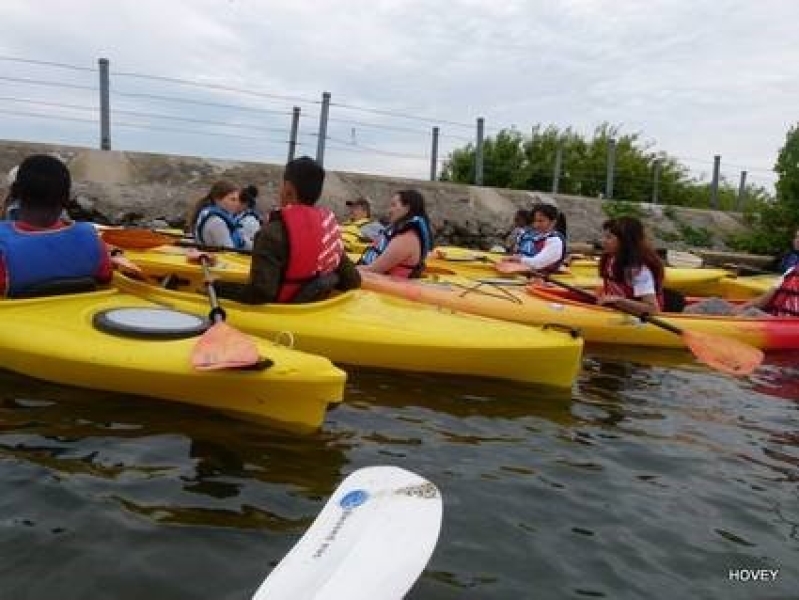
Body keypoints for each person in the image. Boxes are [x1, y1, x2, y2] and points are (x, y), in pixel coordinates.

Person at [215, 156, 360, 304]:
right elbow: (353, 280)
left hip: (280, 314)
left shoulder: (270, 234)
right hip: (310, 309)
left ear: (288, 189)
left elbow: (261, 293)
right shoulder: (329, 233)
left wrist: (216, 286)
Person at [0, 154, 112, 297]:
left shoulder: (3, 245)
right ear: (66, 198)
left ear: (15, 193)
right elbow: (106, 278)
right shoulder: (92, 239)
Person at [357, 189, 433, 278]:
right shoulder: (407, 234)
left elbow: (374, 269)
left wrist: (348, 270)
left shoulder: (406, 239)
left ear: (407, 208)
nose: (389, 210)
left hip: (384, 285)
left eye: (393, 205)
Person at [597, 216, 664, 315]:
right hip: (616, 311)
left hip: (641, 319)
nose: (603, 241)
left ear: (625, 240)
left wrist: (618, 301)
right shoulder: (611, 258)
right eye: (605, 236)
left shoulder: (639, 270)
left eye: (609, 237)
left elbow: (653, 309)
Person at [499, 204, 567, 273]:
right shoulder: (533, 236)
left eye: (541, 221)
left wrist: (518, 259)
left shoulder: (555, 241)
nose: (536, 225)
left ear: (553, 222)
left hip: (544, 279)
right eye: (535, 221)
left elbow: (537, 263)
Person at [187, 180, 244, 249]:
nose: (237, 204)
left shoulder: (205, 212)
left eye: (238, 200)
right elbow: (230, 251)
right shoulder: (217, 222)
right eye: (232, 199)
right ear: (217, 199)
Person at [237, 184, 263, 251]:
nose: (235, 204)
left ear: (245, 204)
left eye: (236, 201)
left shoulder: (251, 221)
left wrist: (241, 240)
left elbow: (254, 245)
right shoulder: (238, 216)